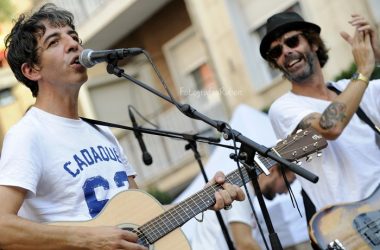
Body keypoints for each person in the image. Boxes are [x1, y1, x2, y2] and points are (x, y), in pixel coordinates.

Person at [0, 4, 245, 250]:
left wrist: (203, 199)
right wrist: (87, 239)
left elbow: (141, 218)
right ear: (32, 70)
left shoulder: (103, 134)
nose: (74, 44)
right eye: (54, 42)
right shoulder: (28, 135)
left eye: (74, 37)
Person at [262, 12, 380, 213]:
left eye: (292, 41)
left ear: (313, 43)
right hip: (351, 226)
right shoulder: (283, 107)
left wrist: (378, 59)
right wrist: (364, 69)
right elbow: (330, 127)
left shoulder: (355, 89)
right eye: (276, 51)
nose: (286, 51)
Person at [191, 164, 313, 250]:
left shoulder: (246, 193)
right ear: (272, 170)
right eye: (288, 183)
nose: (286, 192)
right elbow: (245, 245)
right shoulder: (239, 189)